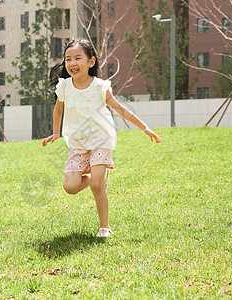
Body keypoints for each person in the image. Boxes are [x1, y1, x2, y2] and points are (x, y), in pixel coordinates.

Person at [42, 38, 161, 237]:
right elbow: (58, 111)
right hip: (78, 142)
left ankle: (104, 227)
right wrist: (55, 132)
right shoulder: (65, 87)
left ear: (91, 62)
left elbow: (121, 109)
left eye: (78, 58)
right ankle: (95, 179)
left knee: (98, 185)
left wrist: (145, 128)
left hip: (100, 138)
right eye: (68, 59)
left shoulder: (99, 87)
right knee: (70, 187)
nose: (72, 63)